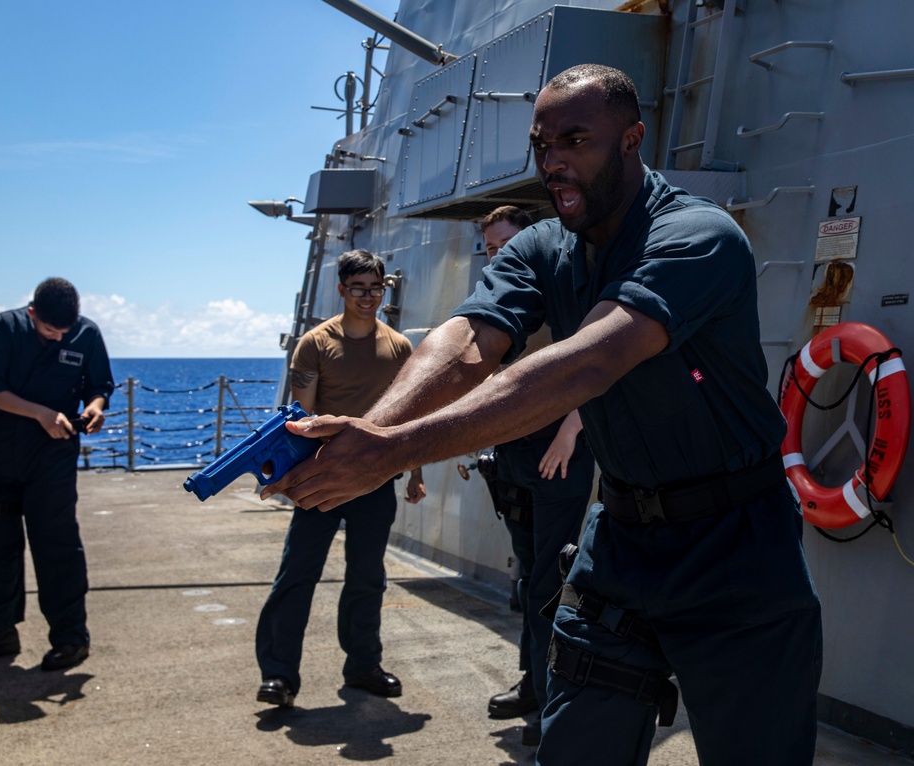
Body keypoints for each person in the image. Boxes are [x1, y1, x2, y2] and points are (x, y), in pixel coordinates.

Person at [261, 63, 822, 766]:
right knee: (574, 750)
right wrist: (376, 431)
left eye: (575, 141)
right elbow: (469, 341)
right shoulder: (542, 245)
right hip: (620, 541)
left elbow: (585, 363)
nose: (553, 161)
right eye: (541, 144)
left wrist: (393, 450)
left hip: (735, 547)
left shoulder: (698, 236)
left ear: (630, 139)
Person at [255, 249, 424, 709]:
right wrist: (288, 478)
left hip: (374, 479)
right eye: (358, 288)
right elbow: (299, 422)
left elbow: (408, 415)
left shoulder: (399, 347)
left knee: (368, 577)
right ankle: (278, 674)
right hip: (321, 478)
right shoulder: (315, 343)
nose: (368, 297)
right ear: (341, 289)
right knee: (298, 573)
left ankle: (364, 665)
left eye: (376, 288)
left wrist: (415, 472)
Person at [0, 277, 114, 672]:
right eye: (49, 330)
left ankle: (71, 639)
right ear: (32, 313)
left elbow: (99, 386)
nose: (59, 337)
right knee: (0, 547)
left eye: (65, 331)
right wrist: (39, 413)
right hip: (4, 455)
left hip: (53, 458)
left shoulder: (86, 333)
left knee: (57, 547)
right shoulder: (4, 328)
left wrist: (95, 407)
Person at [478, 206, 594, 746]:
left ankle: (553, 709)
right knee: (527, 580)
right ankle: (533, 683)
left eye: (505, 245)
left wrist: (572, 429)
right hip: (514, 450)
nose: (496, 256)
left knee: (552, 583)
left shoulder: (566, 282)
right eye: (489, 248)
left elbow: (598, 364)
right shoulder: (497, 297)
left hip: (559, 449)